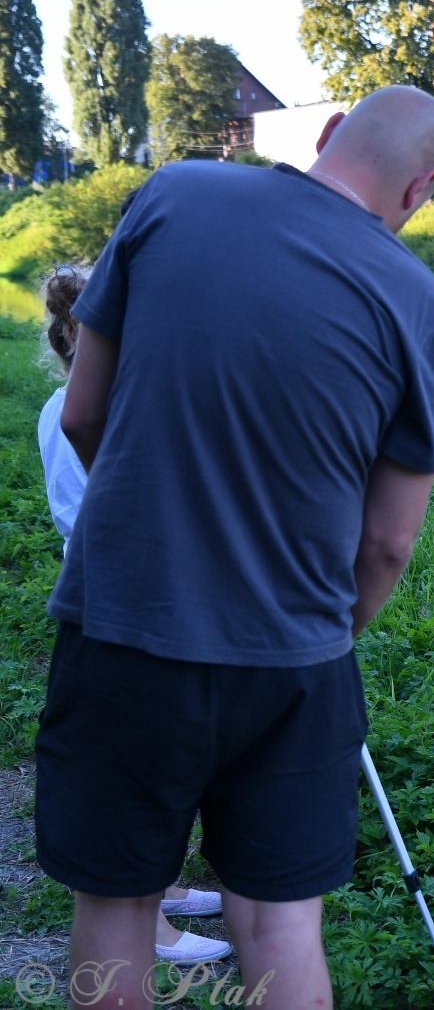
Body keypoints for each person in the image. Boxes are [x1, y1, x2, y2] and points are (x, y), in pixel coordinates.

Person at [36, 85, 434, 1009]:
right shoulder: (420, 305)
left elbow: (82, 412)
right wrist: (316, 625)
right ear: (422, 188)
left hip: (123, 627)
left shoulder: (174, 193)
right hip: (295, 662)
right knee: (276, 923)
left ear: (326, 135)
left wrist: (158, 520)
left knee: (115, 902)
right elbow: (387, 542)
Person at [36, 265, 231, 967]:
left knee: (157, 755)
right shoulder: (105, 413)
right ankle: (147, 918)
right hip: (131, 600)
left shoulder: (59, 405)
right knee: (147, 762)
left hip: (109, 593)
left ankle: (164, 887)